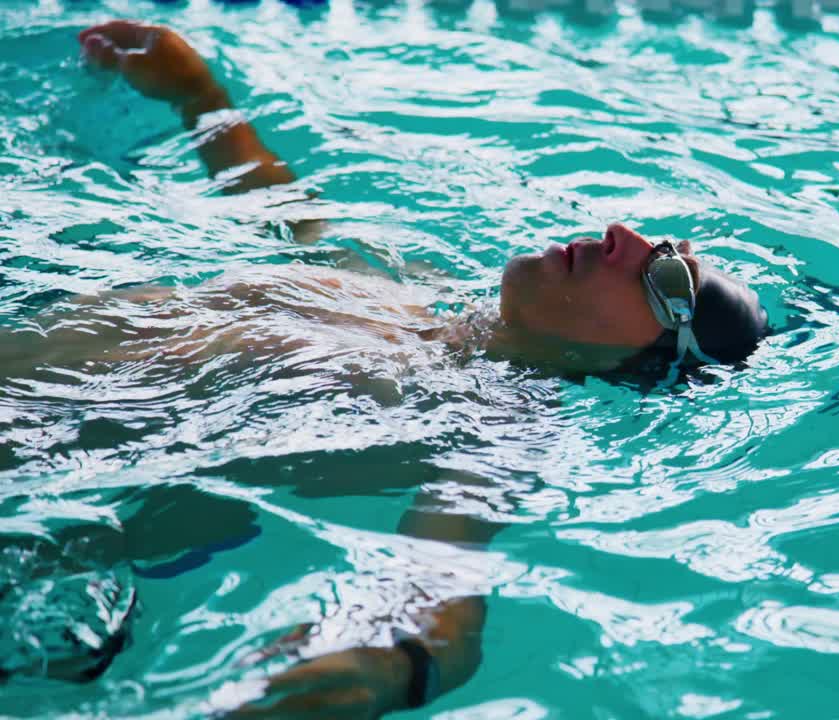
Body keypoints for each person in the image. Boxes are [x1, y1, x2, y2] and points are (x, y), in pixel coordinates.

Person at [28, 19, 771, 718]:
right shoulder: (410, 285)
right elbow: (287, 212)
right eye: (655, 240)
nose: (622, 234)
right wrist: (199, 97)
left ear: (633, 364)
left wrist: (389, 667)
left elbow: (443, 587)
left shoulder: (500, 424)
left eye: (667, 279)